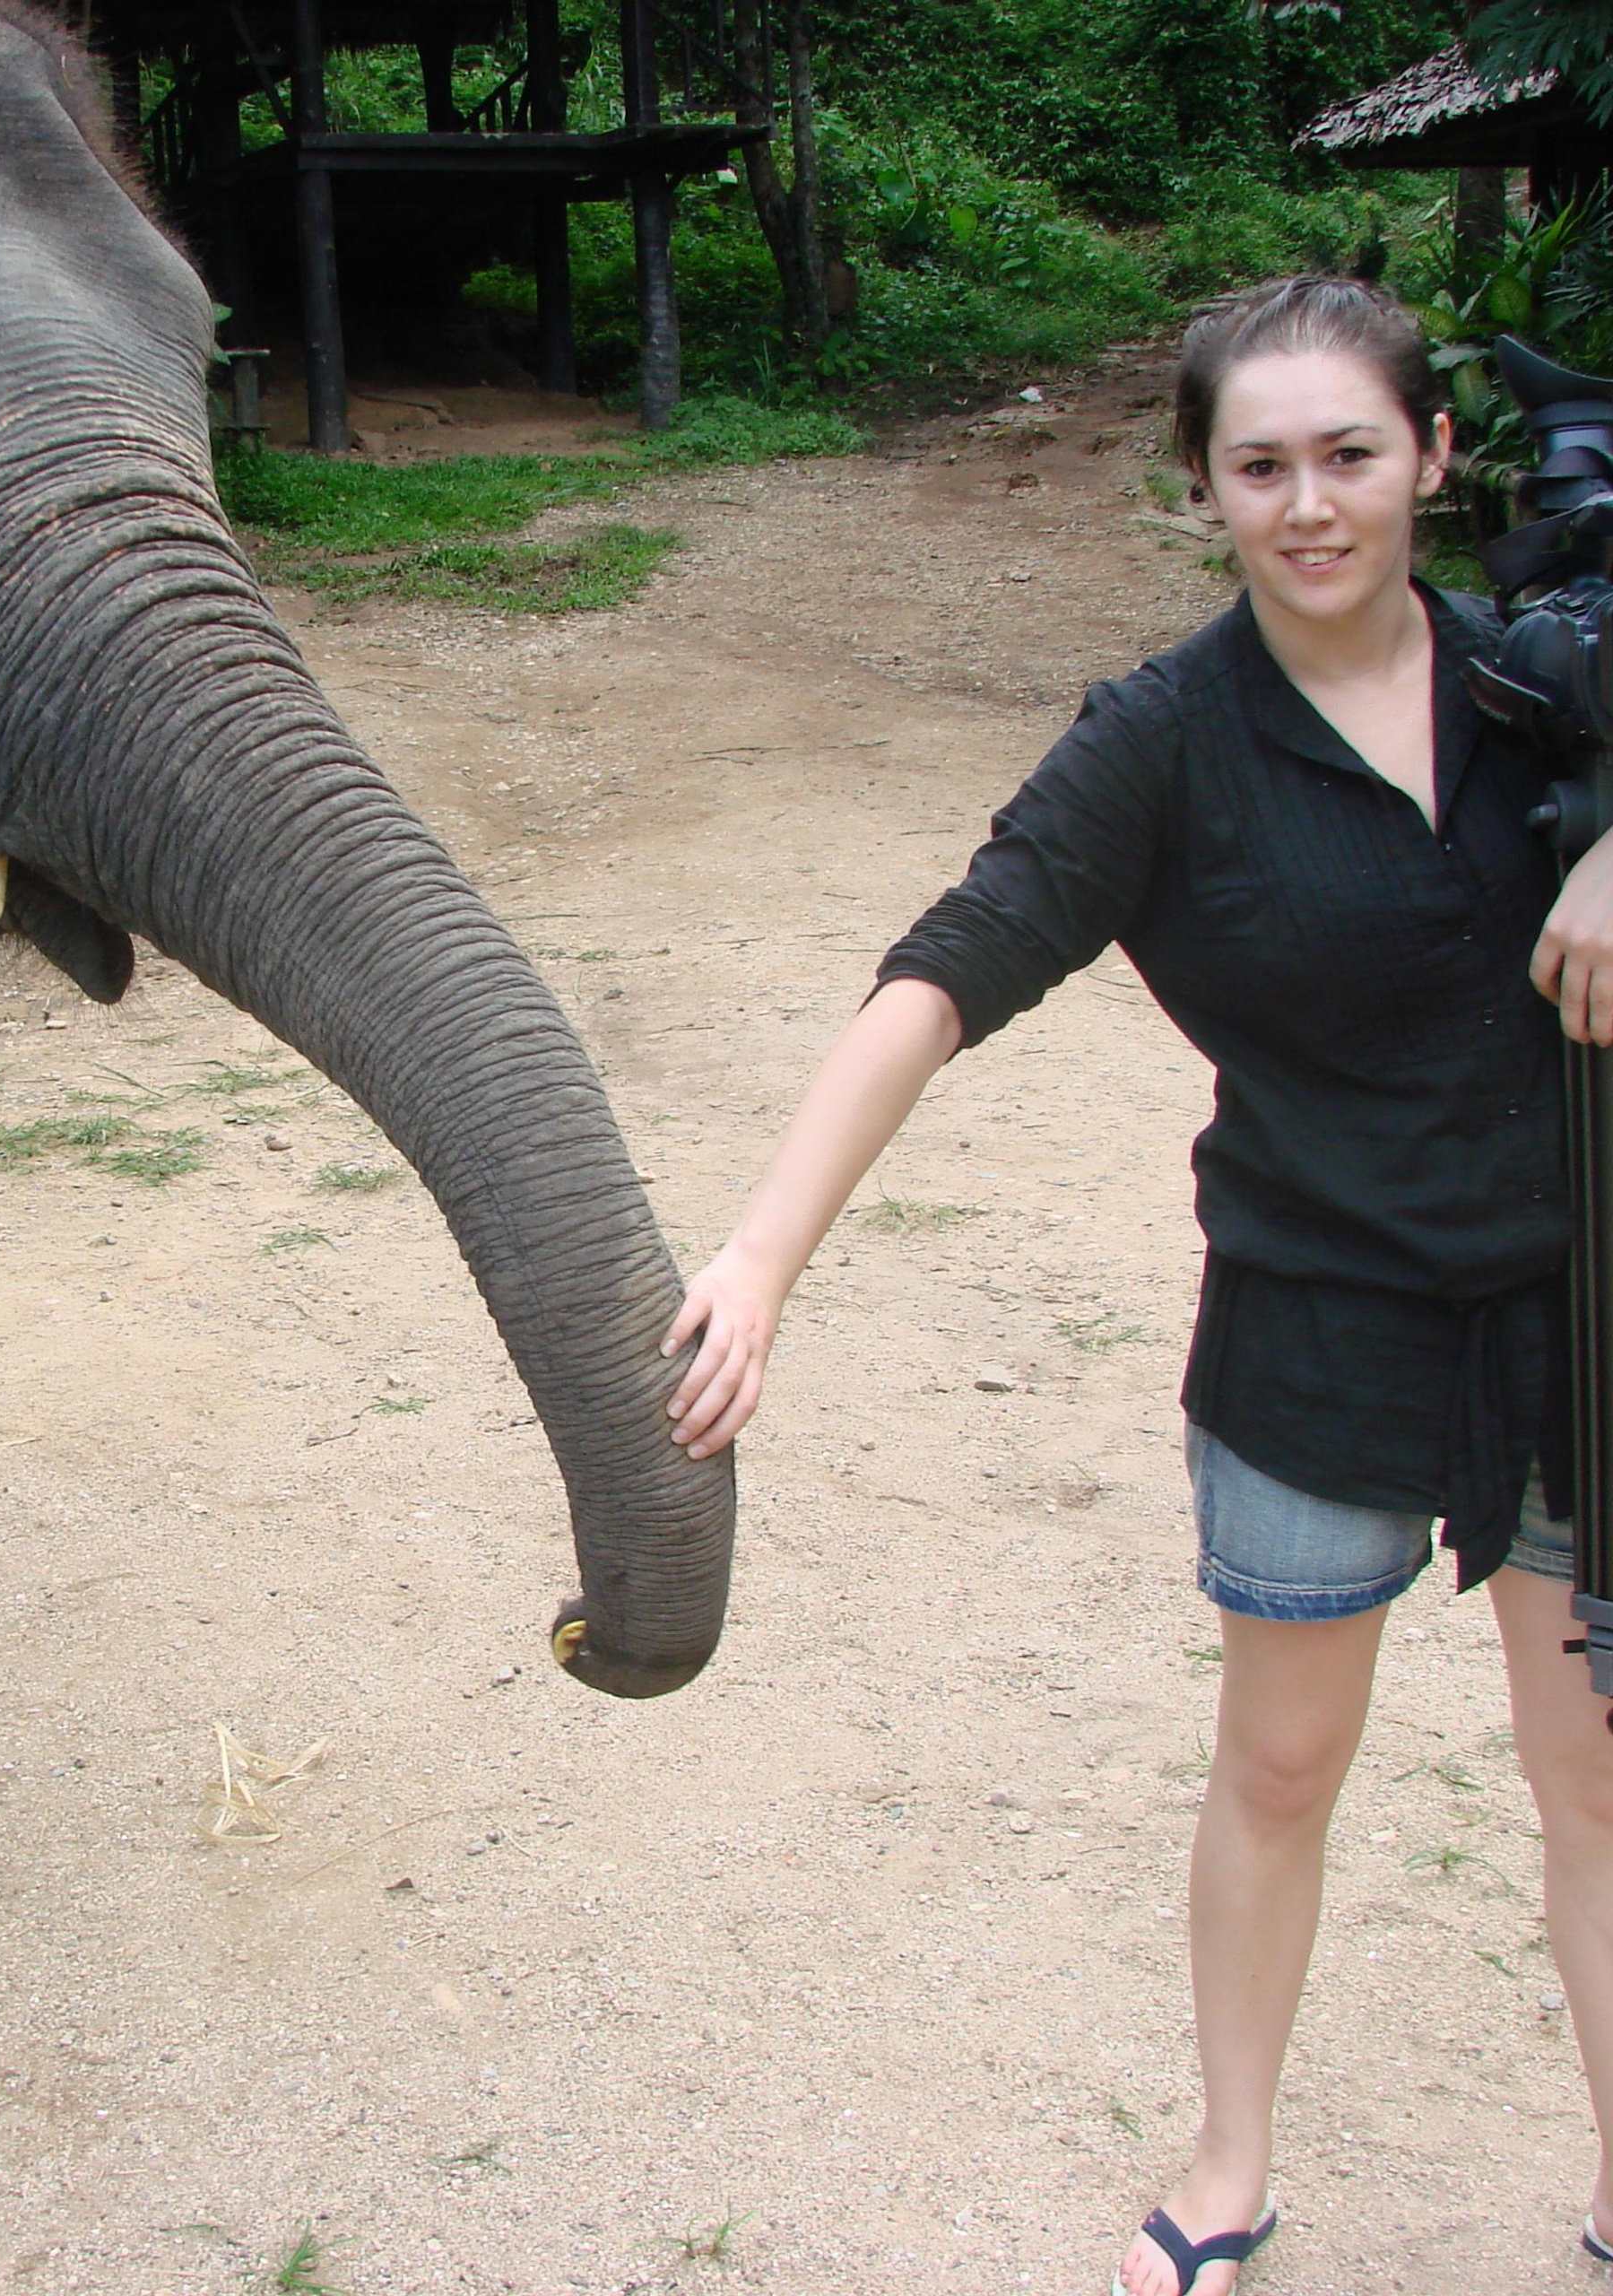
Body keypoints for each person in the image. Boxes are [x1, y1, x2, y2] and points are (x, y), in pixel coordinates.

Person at [663, 276, 1613, 2296]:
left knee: (1593, 1767)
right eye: (1256, 465)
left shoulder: (1559, 677)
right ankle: (1227, 2155)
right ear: (1198, 489)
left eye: (1348, 453)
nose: (1307, 504)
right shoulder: (1160, 745)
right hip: (1315, 1307)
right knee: (1277, 1760)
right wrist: (760, 1248)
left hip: (1579, 1303)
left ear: (1433, 458)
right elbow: (945, 967)